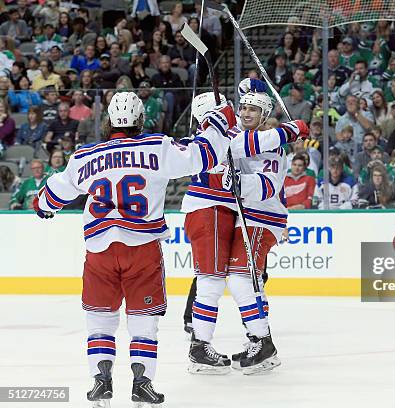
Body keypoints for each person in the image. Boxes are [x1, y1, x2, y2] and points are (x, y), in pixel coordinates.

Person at [33, 91, 236, 407]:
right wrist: (221, 121)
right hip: (142, 247)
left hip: (99, 250)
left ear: (109, 121)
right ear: (141, 119)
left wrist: (42, 206)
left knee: (100, 320)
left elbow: (50, 197)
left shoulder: (85, 156)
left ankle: (101, 382)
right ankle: (142, 384)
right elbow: (203, 155)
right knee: (143, 321)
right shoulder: (157, 146)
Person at [180, 82, 309, 375]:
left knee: (239, 281)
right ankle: (258, 341)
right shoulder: (234, 137)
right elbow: (232, 146)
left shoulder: (272, 147)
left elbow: (268, 187)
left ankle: (262, 343)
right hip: (242, 217)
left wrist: (237, 181)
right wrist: (289, 130)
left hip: (262, 218)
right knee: (242, 282)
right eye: (243, 108)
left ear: (264, 116)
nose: (246, 113)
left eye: (254, 109)